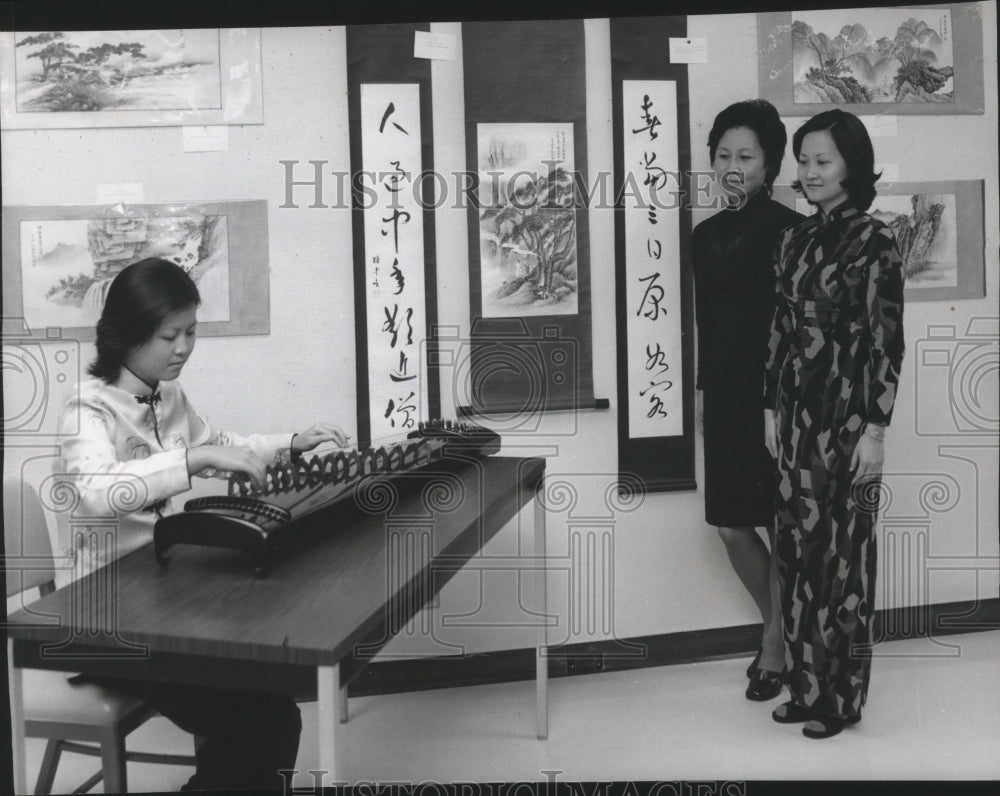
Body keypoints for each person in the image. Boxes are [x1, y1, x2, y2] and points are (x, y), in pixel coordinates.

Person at [57, 257, 351, 789]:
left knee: (269, 709)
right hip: (107, 619)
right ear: (129, 335)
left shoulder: (169, 397)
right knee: (261, 719)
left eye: (191, 332)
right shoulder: (88, 411)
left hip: (162, 602)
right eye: (170, 335)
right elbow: (98, 492)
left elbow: (219, 447)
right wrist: (188, 462)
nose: (184, 348)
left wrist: (289, 442)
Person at [763, 109, 905, 739]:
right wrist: (771, 408)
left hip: (848, 425)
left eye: (823, 160)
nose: (810, 171)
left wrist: (876, 431)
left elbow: (887, 343)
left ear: (851, 162)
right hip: (794, 420)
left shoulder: (877, 241)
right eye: (804, 160)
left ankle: (840, 699)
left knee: (841, 563)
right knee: (795, 553)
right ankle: (803, 687)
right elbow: (779, 329)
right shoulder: (794, 239)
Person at [692, 99, 803, 701]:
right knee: (733, 526)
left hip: (780, 400)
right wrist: (706, 395)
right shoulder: (703, 236)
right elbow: (708, 323)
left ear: (770, 165)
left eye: (746, 156)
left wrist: (781, 403)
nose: (733, 166)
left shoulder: (792, 232)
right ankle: (778, 626)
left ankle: (775, 646)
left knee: (783, 525)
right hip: (729, 396)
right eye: (724, 155)